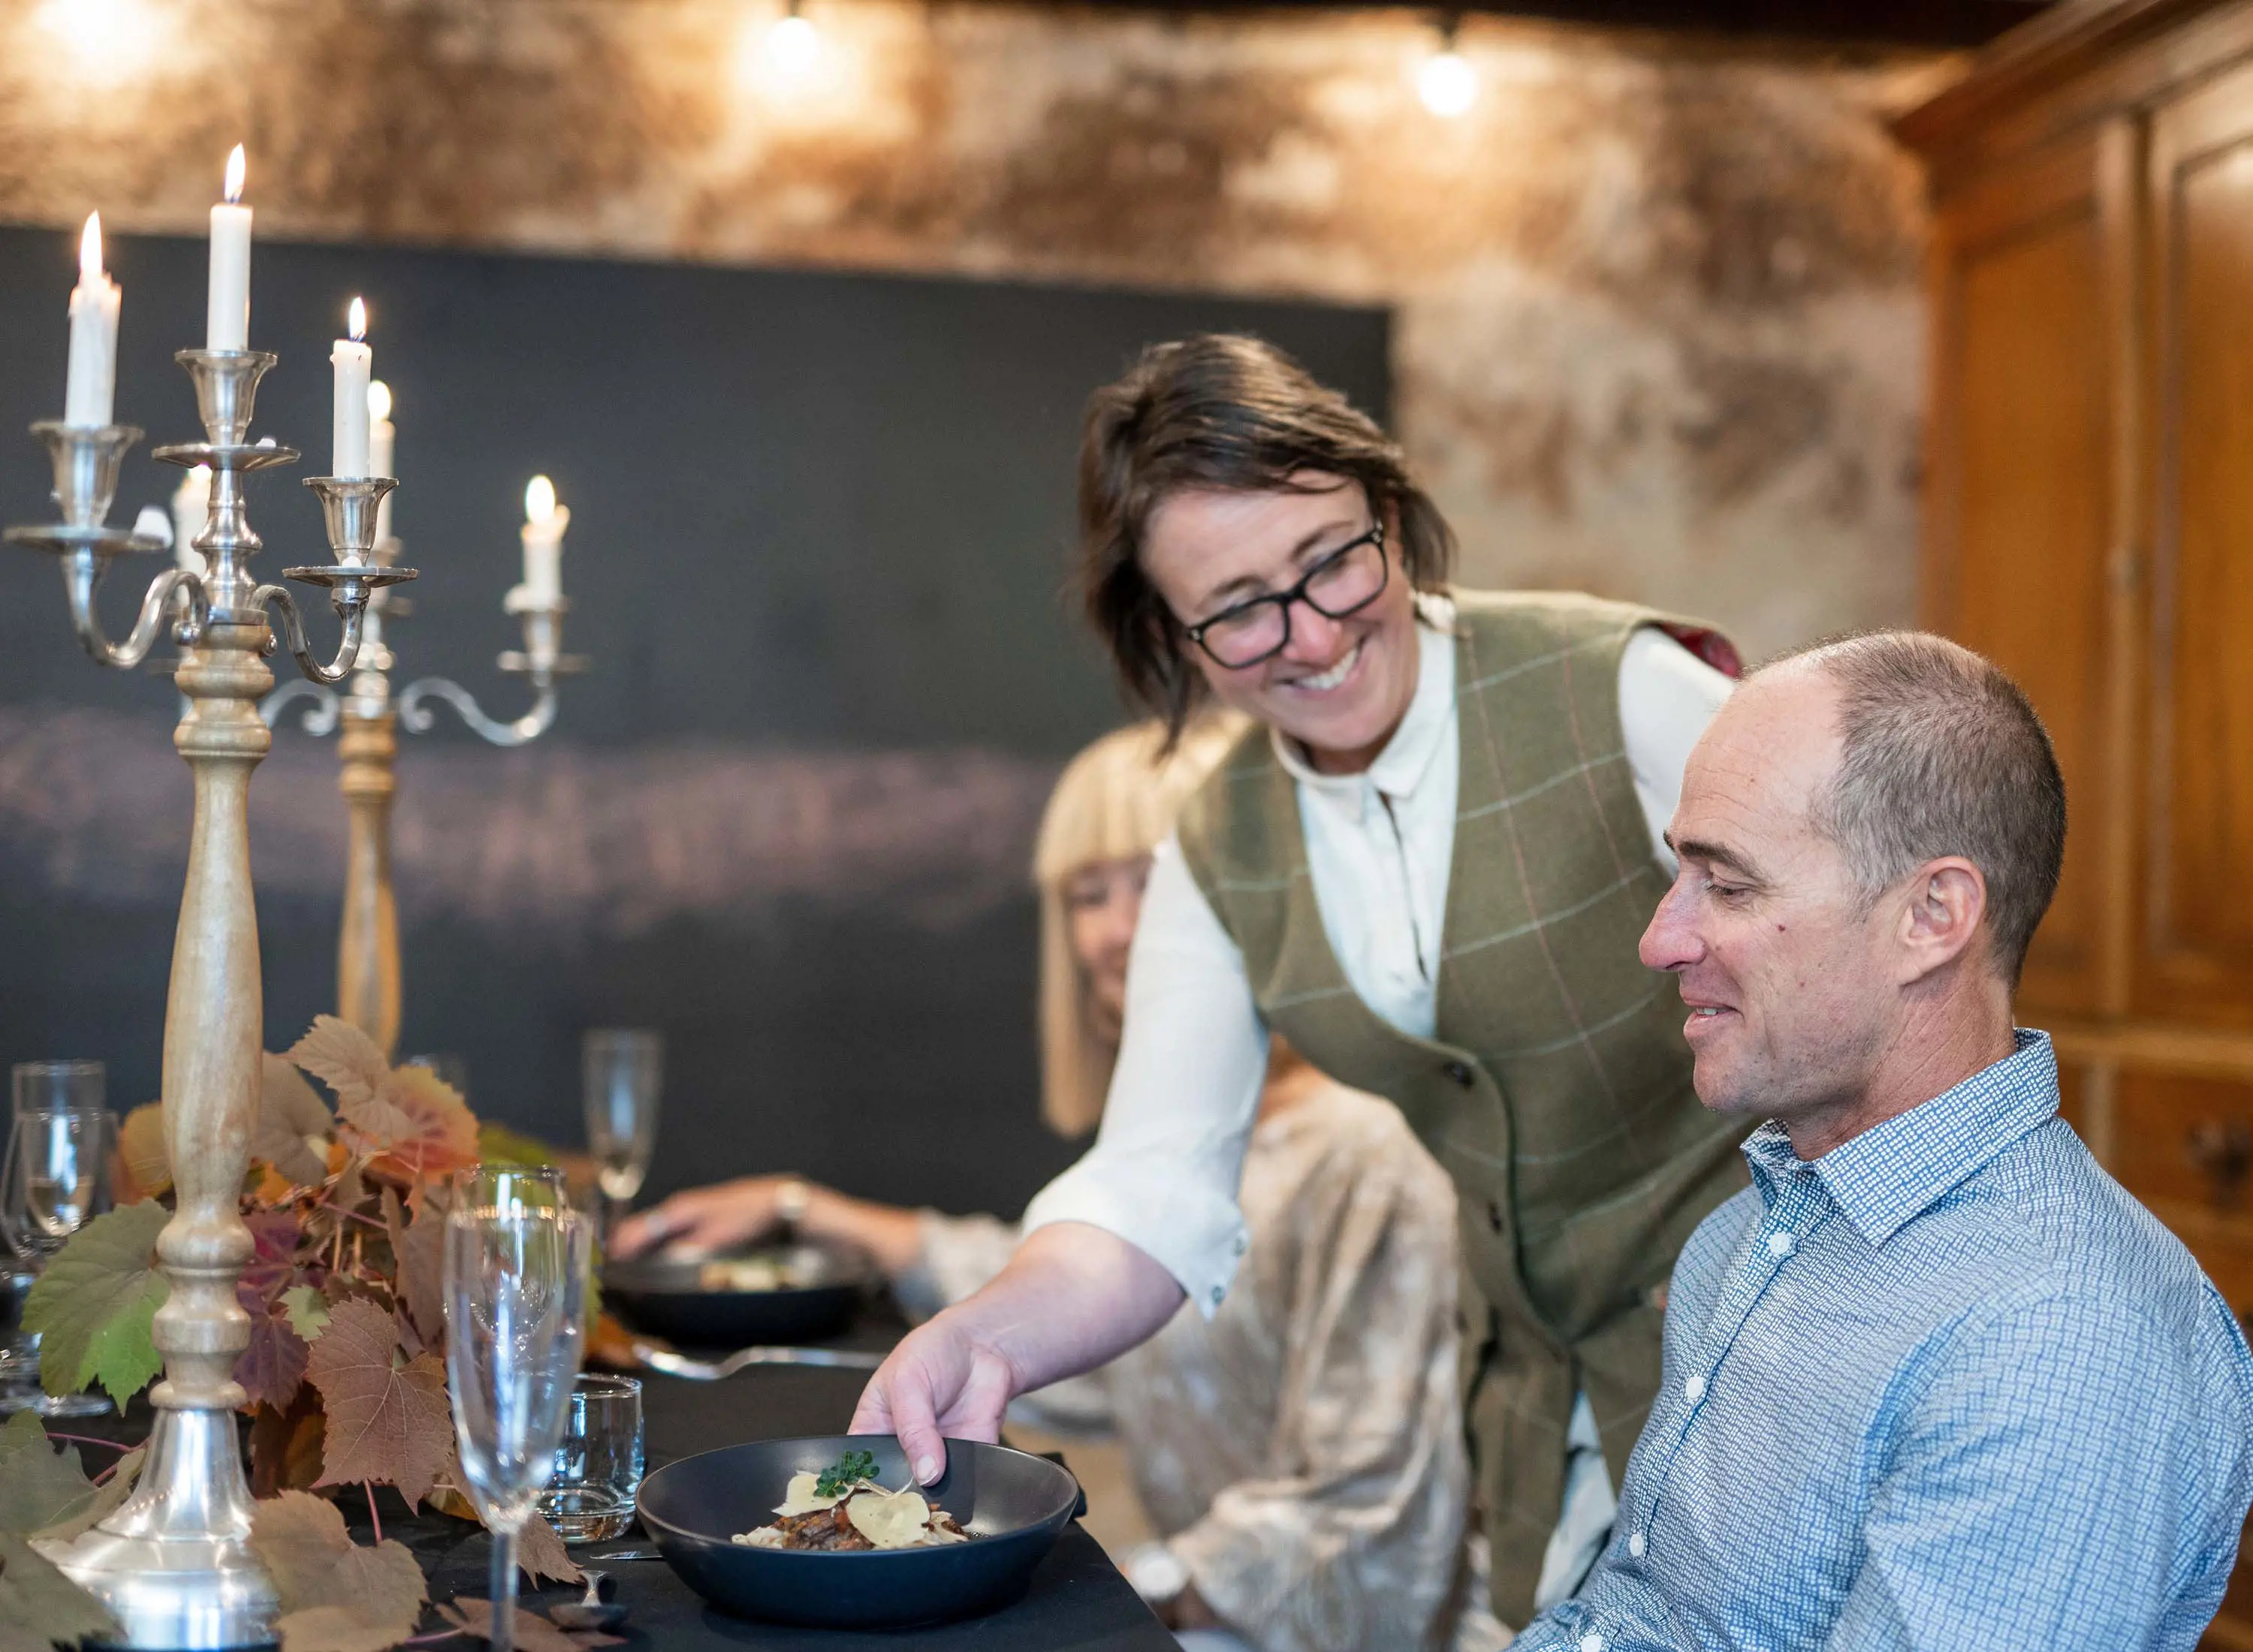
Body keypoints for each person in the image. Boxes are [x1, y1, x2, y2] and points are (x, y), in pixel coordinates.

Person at [853, 333, 1752, 1626]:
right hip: (1542, 1414)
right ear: (1173, 633)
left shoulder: (1614, 686)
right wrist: (986, 1335)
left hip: (1774, 1362)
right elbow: (1155, 1187)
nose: (1316, 634)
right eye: (1239, 608)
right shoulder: (1223, 843)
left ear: (1387, 511)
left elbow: (1864, 927)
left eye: (1334, 559)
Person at [617, 719, 1503, 1652]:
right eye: (1090, 893)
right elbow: (1075, 1319)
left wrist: (1120, 1582)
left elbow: (1371, 1523)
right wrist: (810, 1210)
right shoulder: (1172, 1147)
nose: (1122, 933)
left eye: (1159, 884)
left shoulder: (1367, 1155)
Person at [1511, 632, 2253, 1650]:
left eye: (1728, 886)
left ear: (1932, 916)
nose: (1661, 939)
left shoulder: (2051, 1341)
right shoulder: (1749, 1235)